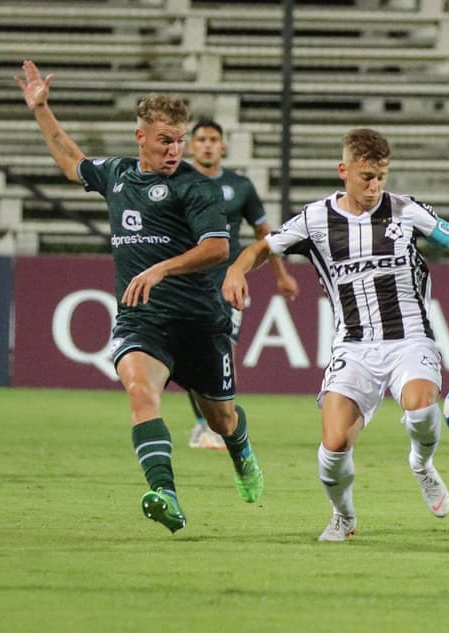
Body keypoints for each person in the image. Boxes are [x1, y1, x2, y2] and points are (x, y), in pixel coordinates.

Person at [223, 128, 449, 542]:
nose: (374, 186)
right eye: (366, 176)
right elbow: (264, 246)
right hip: (352, 346)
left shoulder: (406, 211)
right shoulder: (316, 220)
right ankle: (344, 516)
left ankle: (422, 464)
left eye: (381, 176)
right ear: (344, 171)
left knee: (422, 409)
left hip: (410, 339)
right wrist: (236, 269)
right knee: (333, 448)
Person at [15, 59, 264, 534]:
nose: (174, 150)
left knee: (223, 420)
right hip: (142, 321)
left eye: (180, 140)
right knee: (140, 392)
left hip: (198, 321)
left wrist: (163, 266)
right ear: (142, 138)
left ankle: (241, 450)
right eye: (165, 140)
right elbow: (71, 162)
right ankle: (164, 493)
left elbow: (217, 247)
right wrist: (42, 110)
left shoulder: (195, 186)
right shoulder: (119, 174)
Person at [186, 118, 300, 450]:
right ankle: (202, 425)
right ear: (192, 146)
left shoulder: (240, 186)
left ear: (222, 147)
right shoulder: (179, 183)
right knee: (192, 354)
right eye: (202, 139)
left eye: (213, 139)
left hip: (227, 281)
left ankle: (221, 424)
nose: (207, 145)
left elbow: (264, 234)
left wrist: (281, 274)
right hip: (188, 282)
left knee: (221, 349)